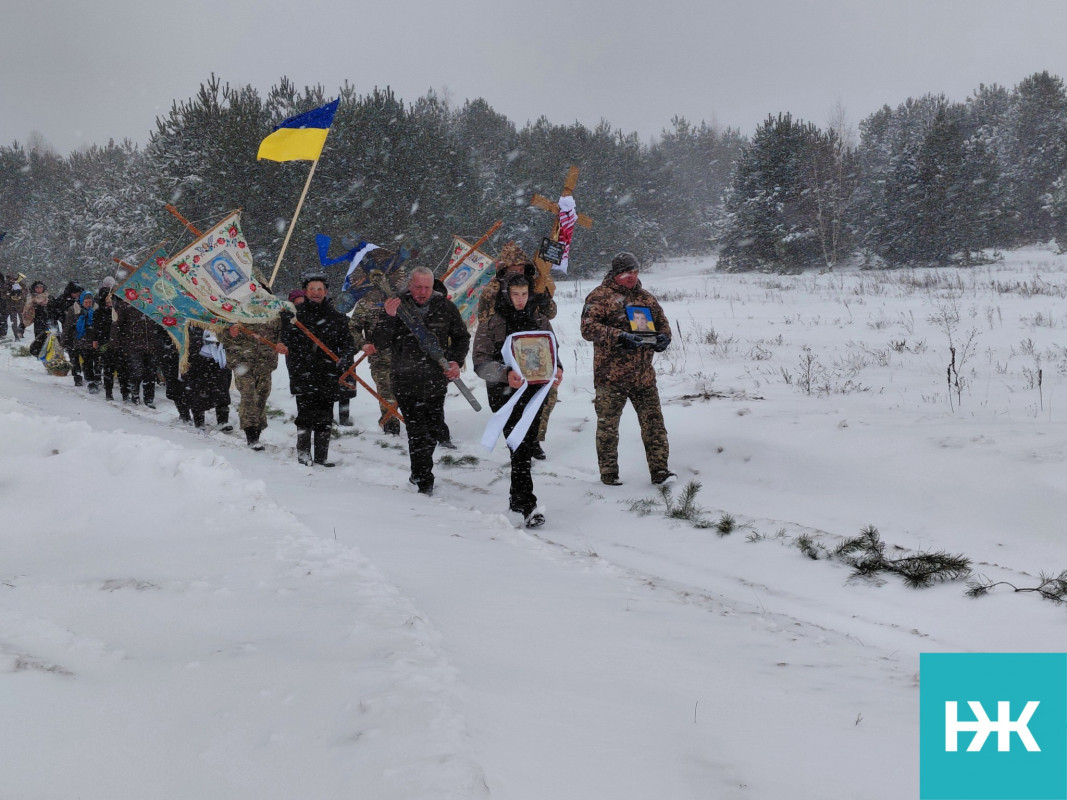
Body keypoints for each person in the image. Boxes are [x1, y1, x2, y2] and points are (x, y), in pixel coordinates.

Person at [474, 272, 563, 527]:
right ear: (506, 294)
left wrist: (558, 368)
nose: (521, 300)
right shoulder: (492, 324)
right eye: (515, 294)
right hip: (505, 395)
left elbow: (554, 351)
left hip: (535, 394)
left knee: (523, 445)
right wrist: (505, 373)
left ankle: (517, 498)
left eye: (524, 294)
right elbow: (480, 363)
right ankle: (528, 505)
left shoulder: (540, 320)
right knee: (520, 444)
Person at [372, 266, 470, 496]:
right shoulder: (397, 305)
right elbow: (380, 342)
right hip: (406, 380)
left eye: (427, 287)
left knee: (433, 431)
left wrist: (455, 361)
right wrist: (388, 317)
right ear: (410, 285)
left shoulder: (444, 306)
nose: (423, 292)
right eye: (418, 287)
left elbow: (461, 337)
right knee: (418, 432)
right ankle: (424, 479)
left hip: (436, 380)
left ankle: (419, 471)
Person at [580, 251, 675, 486]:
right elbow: (588, 328)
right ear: (615, 273)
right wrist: (618, 336)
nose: (631, 277)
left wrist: (664, 338)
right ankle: (609, 474)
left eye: (634, 272)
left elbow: (663, 324)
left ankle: (660, 471)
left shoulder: (646, 298)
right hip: (611, 376)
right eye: (626, 273)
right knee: (608, 428)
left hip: (643, 376)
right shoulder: (600, 296)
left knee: (654, 425)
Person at [477, 242, 558, 460]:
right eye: (513, 268)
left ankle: (534, 441)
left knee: (542, 400)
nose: (518, 271)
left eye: (521, 268)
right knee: (510, 407)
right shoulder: (492, 291)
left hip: (535, 352)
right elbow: (485, 323)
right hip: (505, 354)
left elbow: (550, 315)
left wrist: (543, 300)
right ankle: (519, 446)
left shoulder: (535, 284)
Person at [281, 273, 355, 467]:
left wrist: (345, 358)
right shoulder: (295, 315)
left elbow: (348, 342)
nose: (316, 293)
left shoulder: (336, 315)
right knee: (305, 414)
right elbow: (285, 340)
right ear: (305, 292)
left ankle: (322, 456)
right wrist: (285, 324)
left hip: (328, 372)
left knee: (325, 415)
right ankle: (303, 453)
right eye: (312, 289)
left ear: (326, 292)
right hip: (303, 370)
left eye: (320, 289)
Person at [348, 270, 405, 436]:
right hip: (381, 358)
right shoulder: (366, 303)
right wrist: (363, 344)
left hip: (407, 357)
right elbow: (353, 328)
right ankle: (391, 429)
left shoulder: (405, 300)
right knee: (387, 394)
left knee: (409, 394)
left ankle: (417, 427)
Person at [226, 316, 287, 450]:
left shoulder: (273, 314)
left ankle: (257, 431)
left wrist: (281, 343)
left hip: (265, 363)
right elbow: (222, 335)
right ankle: (252, 437)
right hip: (242, 363)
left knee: (261, 397)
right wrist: (229, 333)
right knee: (249, 396)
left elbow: (282, 333)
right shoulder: (236, 312)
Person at [111, 294, 159, 407]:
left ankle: (149, 399)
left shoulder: (153, 305)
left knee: (150, 373)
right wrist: (116, 343)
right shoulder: (126, 305)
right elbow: (117, 325)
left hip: (151, 345)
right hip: (133, 345)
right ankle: (135, 393)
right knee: (137, 372)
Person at [185, 327, 233, 430]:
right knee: (198, 390)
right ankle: (199, 421)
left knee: (222, 389)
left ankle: (223, 421)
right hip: (199, 356)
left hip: (221, 355)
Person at [93, 281, 127, 401]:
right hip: (106, 343)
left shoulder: (118, 311)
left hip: (118, 343)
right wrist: (96, 339)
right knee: (108, 369)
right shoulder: (98, 313)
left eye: (110, 300)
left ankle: (125, 393)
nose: (109, 303)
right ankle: (109, 392)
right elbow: (96, 328)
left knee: (122, 369)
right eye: (107, 301)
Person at [62, 290, 100, 392]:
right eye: (86, 302)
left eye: (90, 302)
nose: (88, 304)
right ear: (82, 301)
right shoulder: (74, 309)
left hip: (89, 340)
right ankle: (77, 377)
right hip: (75, 339)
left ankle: (90, 382)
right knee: (75, 361)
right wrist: (64, 340)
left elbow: (98, 325)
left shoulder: (95, 310)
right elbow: (67, 326)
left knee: (88, 362)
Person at [23, 280, 51, 354]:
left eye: (41, 287)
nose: (39, 289)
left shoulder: (49, 298)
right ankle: (40, 352)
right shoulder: (31, 299)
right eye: (37, 288)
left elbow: (55, 309)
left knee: (50, 338)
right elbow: (26, 313)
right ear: (34, 289)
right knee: (39, 337)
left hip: (49, 321)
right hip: (38, 321)